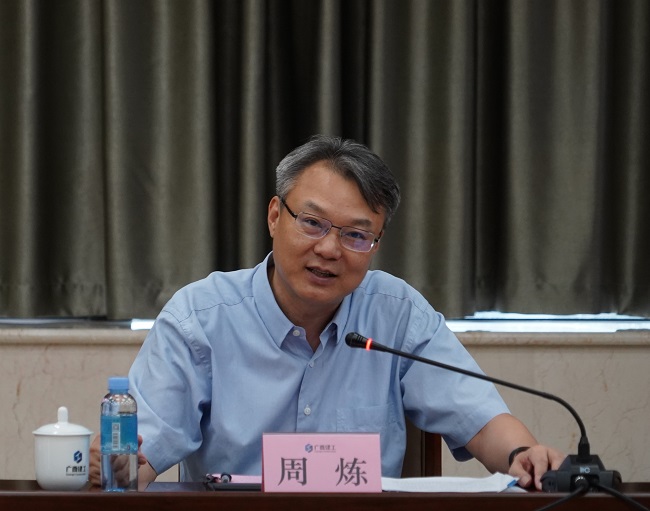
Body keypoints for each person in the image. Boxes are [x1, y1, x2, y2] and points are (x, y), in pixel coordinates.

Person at [89, 135, 564, 490]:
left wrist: (522, 455)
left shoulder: (396, 315)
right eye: (313, 223)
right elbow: (139, 457)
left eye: (356, 235)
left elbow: (479, 418)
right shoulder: (200, 318)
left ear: (375, 244)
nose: (330, 249)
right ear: (275, 216)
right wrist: (118, 466)